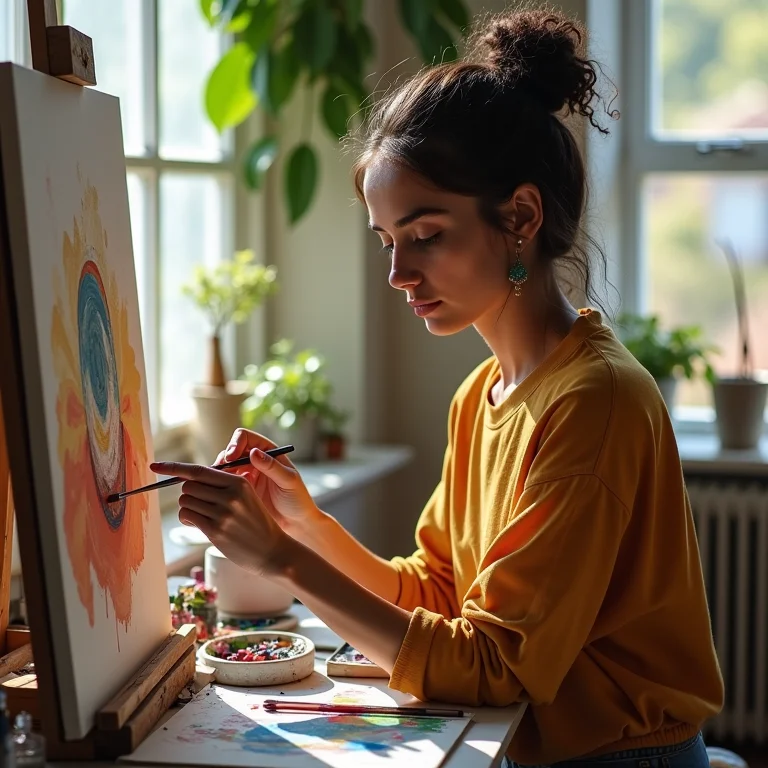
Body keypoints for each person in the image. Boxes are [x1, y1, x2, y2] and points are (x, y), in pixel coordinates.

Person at [152, 7, 724, 767]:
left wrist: (287, 564)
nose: (398, 274)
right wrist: (301, 522)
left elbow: (498, 666)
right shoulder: (484, 392)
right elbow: (436, 594)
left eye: (426, 235)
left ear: (520, 216)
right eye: (389, 242)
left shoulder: (596, 401)